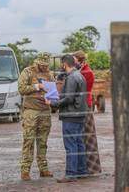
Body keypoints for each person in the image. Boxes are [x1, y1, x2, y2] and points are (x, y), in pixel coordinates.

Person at [46, 54, 88, 183]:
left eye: (61, 64)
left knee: (70, 145)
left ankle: (71, 174)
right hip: (80, 114)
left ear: (65, 64)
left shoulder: (71, 78)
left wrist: (52, 103)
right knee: (79, 143)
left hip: (70, 115)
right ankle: (82, 171)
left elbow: (68, 98)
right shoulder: (80, 76)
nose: (61, 67)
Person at [18, 52, 54, 181]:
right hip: (31, 111)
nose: (44, 67)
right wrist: (36, 86)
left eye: (46, 65)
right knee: (29, 140)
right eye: (42, 65)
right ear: (37, 62)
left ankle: (43, 169)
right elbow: (21, 89)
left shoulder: (50, 74)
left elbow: (53, 92)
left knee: (43, 141)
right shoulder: (27, 72)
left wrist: (52, 97)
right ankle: (25, 170)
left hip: (45, 111)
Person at [73, 50, 102, 174]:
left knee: (88, 136)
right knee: (80, 136)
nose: (73, 63)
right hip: (79, 105)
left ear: (81, 61)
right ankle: (82, 167)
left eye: (74, 60)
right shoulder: (78, 71)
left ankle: (90, 168)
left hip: (85, 105)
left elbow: (82, 90)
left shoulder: (87, 72)